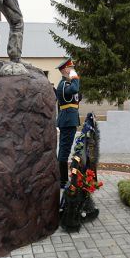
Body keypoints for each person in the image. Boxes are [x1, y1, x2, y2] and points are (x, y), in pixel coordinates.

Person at [56, 58, 81, 188]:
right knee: (64, 151)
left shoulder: (67, 84)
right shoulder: (64, 85)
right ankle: (62, 181)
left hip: (69, 120)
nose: (73, 70)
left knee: (64, 150)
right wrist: (75, 77)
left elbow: (77, 96)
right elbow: (75, 89)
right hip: (67, 121)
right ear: (65, 70)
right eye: (71, 68)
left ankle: (61, 179)